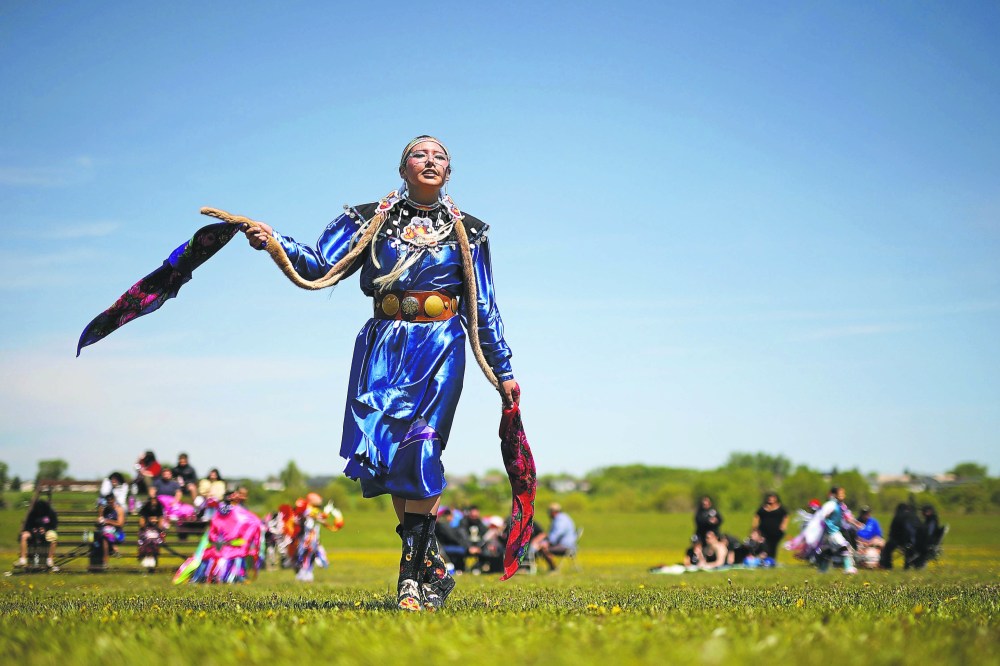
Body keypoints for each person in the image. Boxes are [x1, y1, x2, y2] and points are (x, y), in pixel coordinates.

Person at [240, 136, 519, 611]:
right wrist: (274, 243)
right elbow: (322, 264)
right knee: (391, 463)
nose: (430, 161)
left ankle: (408, 580)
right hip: (384, 348)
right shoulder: (370, 221)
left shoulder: (470, 233)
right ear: (402, 168)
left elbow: (484, 306)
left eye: (440, 157)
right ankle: (430, 564)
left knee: (423, 449)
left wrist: (503, 367)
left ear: (449, 174)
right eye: (420, 154)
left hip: (441, 344)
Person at [819, 486, 857, 574]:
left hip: (833, 532)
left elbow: (847, 517)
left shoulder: (841, 505)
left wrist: (856, 524)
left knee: (828, 552)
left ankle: (822, 570)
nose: (843, 495)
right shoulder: (831, 504)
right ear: (835, 494)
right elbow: (822, 516)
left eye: (844, 493)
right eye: (841, 493)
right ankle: (848, 568)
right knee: (844, 546)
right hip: (831, 531)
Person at [16, 499, 59, 570]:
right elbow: (27, 525)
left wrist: (45, 529)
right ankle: (23, 559)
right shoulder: (32, 513)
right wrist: (32, 530)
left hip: (47, 531)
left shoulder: (51, 513)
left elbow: (54, 525)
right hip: (33, 532)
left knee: (53, 537)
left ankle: (50, 560)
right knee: (24, 536)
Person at [534, 504, 576, 572]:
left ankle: (553, 569)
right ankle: (552, 568)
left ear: (554, 512)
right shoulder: (563, 517)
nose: (548, 514)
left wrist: (547, 543)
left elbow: (557, 533)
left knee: (543, 549)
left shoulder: (560, 520)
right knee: (543, 547)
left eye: (549, 512)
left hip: (565, 546)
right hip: (566, 545)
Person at [435, 507, 479, 572]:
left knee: (462, 549)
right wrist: (467, 547)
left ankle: (461, 568)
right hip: (444, 547)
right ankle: (460, 568)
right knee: (462, 550)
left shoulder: (443, 525)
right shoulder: (444, 525)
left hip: (445, 546)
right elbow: (453, 538)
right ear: (448, 516)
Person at [880, 503, 919, 570]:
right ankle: (908, 566)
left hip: (899, 540)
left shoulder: (898, 516)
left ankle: (887, 565)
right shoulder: (914, 517)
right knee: (909, 550)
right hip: (914, 541)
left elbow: (892, 531)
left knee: (887, 549)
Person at [751, 492, 789, 561]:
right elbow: (756, 516)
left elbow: (786, 517)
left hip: (776, 532)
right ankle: (763, 559)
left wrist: (784, 525)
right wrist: (754, 527)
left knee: (773, 545)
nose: (770, 499)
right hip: (763, 531)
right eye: (769, 498)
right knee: (764, 545)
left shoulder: (781, 508)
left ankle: (771, 559)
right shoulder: (763, 508)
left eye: (772, 498)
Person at [92, 493, 126, 568]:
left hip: (118, 534)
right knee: (105, 537)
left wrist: (108, 521)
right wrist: (99, 517)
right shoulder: (105, 509)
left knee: (105, 537)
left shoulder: (119, 509)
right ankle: (114, 548)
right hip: (106, 533)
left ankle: (105, 561)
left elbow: (120, 524)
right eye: (108, 502)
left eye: (111, 502)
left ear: (114, 500)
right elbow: (99, 521)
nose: (110, 504)